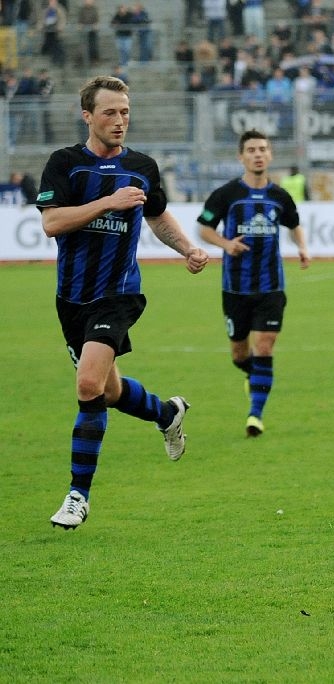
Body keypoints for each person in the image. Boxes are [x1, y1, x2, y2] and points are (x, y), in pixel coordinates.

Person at [38, 75, 210, 530]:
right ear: (88, 116)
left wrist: (188, 249)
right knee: (109, 390)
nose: (120, 120)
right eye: (110, 112)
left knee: (88, 387)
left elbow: (156, 214)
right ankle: (166, 412)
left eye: (126, 112)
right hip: (71, 297)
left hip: (118, 294)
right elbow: (53, 223)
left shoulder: (142, 167)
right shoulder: (65, 164)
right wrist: (108, 203)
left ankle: (78, 495)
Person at [197, 130, 311, 438]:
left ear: (270, 155)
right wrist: (225, 244)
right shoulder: (226, 195)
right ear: (241, 156)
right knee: (239, 354)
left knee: (264, 346)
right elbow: (203, 228)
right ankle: (256, 378)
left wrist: (301, 247)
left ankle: (254, 416)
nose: (258, 154)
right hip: (235, 288)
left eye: (263, 149)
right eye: (251, 149)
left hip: (271, 287)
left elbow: (294, 224)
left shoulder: (280, 196)